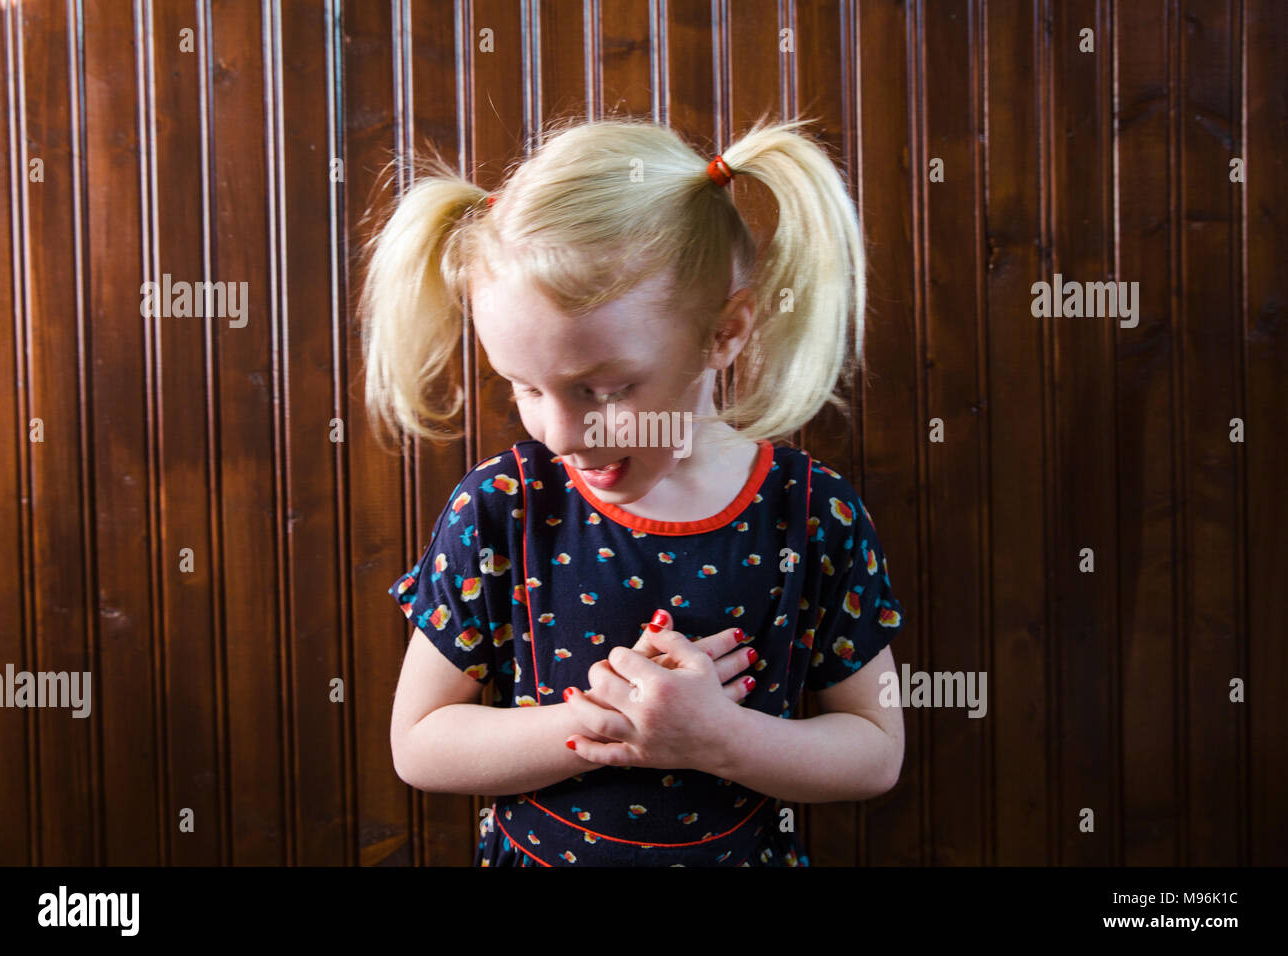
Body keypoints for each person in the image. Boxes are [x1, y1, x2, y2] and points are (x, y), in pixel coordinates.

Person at [364, 114, 907, 866]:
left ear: (725, 333)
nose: (558, 433)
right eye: (523, 387)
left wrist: (716, 738)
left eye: (602, 388)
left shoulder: (813, 515)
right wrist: (613, 721)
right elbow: (420, 744)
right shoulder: (504, 508)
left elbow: (875, 751)